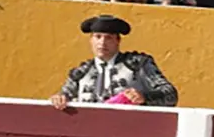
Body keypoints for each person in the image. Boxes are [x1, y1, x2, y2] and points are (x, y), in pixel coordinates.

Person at [50, 15, 179, 110]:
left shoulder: (137, 65)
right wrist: (59, 98)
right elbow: (63, 96)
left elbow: (170, 94)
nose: (102, 43)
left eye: (109, 38)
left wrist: (145, 97)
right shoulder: (82, 72)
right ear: (91, 40)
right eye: (98, 37)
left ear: (118, 41)